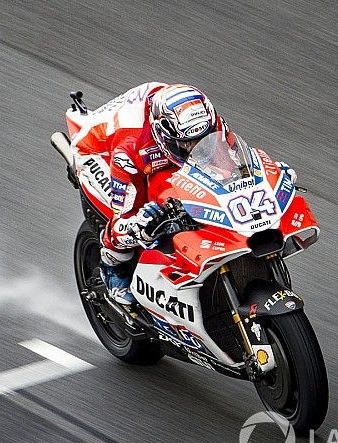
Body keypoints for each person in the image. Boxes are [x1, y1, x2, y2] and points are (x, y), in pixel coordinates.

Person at [71, 83, 228, 306]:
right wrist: (140, 224)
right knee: (138, 219)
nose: (195, 149)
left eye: (202, 140)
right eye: (186, 144)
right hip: (98, 153)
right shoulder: (130, 149)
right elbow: (124, 215)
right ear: (165, 135)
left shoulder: (207, 122)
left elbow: (232, 163)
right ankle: (112, 268)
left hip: (150, 131)